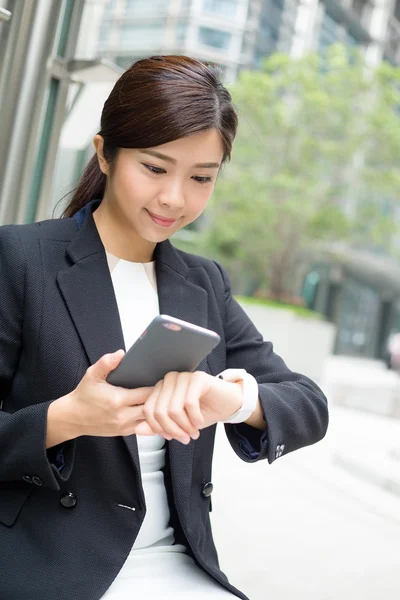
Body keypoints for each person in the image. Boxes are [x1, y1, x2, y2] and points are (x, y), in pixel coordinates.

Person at [0, 55, 328, 600]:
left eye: (201, 177)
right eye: (155, 168)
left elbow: (308, 403)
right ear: (105, 153)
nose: (175, 198)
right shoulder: (20, 259)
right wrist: (65, 419)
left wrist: (231, 399)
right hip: (53, 566)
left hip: (180, 567)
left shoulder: (203, 284)